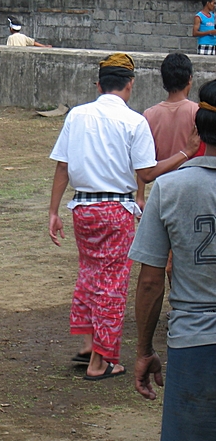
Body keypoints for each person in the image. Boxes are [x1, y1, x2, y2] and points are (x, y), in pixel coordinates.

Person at [48, 53, 200, 381]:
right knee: (113, 283)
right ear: (130, 84)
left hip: (83, 207)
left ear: (99, 84)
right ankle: (100, 361)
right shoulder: (134, 121)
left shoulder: (77, 115)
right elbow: (146, 173)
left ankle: (89, 344)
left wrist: (53, 211)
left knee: (89, 273)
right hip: (115, 209)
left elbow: (62, 165)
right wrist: (185, 153)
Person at [129, 79, 216, 440]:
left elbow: (150, 281)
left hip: (193, 341)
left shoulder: (170, 188)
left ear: (198, 131)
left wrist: (144, 350)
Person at [137, 53, 205, 210]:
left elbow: (143, 161)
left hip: (163, 189)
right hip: (192, 187)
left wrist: (140, 196)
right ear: (189, 79)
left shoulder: (149, 115)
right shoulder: (198, 113)